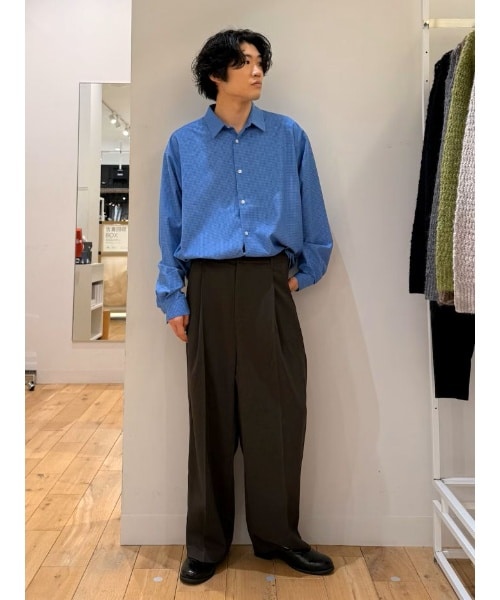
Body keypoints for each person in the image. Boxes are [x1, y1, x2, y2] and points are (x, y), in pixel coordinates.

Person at [156, 28, 334, 585]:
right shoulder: (183, 144)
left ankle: (279, 536)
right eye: (245, 62)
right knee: (209, 417)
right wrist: (173, 295)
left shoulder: (288, 136)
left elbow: (314, 213)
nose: (257, 71)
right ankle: (206, 544)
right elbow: (169, 226)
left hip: (269, 284)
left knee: (277, 415)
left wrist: (303, 273)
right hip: (206, 288)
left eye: (260, 62)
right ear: (216, 74)